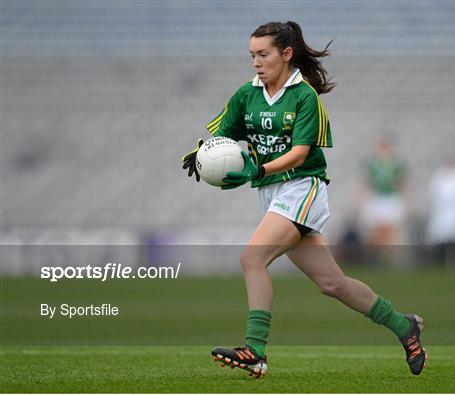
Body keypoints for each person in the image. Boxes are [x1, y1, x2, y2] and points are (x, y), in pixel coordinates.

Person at [181, 21, 426, 378]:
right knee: (332, 284)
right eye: (252, 55)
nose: (256, 62)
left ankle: (256, 350)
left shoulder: (303, 96)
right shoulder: (246, 95)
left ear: (286, 54)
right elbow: (221, 137)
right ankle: (405, 327)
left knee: (252, 258)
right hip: (272, 195)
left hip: (302, 187)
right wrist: (201, 152)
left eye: (263, 54)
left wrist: (258, 171)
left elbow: (299, 154)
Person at [358, 136, 408, 264]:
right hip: (377, 197)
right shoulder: (372, 164)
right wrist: (363, 199)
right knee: (376, 231)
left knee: (390, 231)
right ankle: (376, 259)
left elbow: (401, 183)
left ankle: (389, 260)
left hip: (391, 197)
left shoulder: (397, 165)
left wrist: (405, 200)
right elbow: (367, 183)